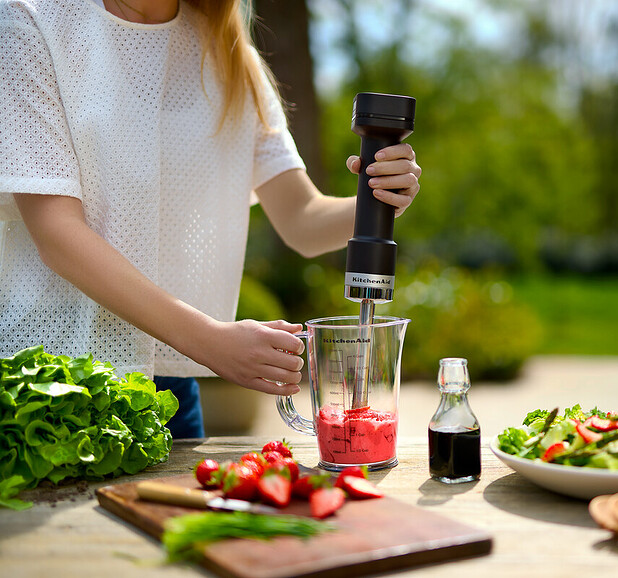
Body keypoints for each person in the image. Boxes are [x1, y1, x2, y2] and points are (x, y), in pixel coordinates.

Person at [0, 0, 422, 438]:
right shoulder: (32, 19)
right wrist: (213, 342)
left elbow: (303, 220)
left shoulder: (230, 55)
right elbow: (57, 232)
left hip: (171, 388)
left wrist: (381, 198)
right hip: (47, 378)